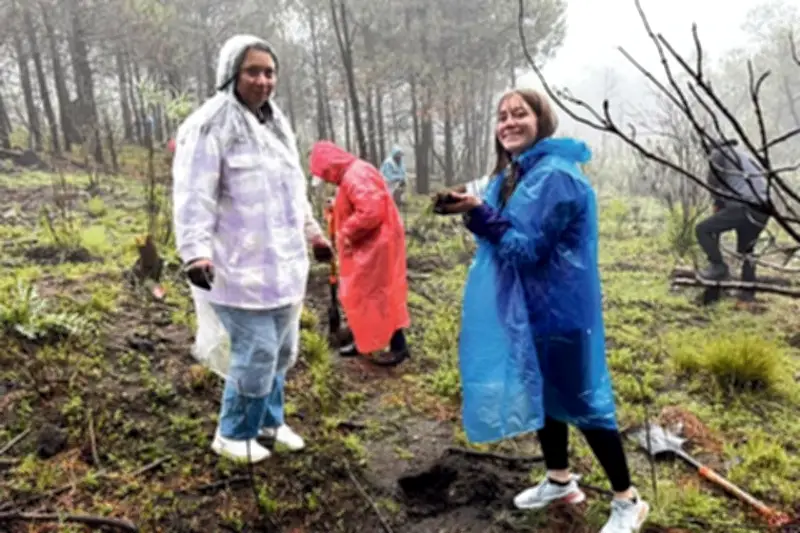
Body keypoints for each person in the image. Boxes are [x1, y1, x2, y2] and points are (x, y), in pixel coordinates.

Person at [431, 89, 649, 532]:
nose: (509, 122)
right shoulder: (519, 173)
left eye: (520, 114)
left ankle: (628, 500)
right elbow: (500, 219)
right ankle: (559, 479)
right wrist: (467, 203)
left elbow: (526, 249)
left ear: (541, 120)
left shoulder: (555, 177)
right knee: (543, 395)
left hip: (561, 310)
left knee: (584, 404)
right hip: (527, 307)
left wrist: (478, 213)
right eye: (502, 116)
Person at [172, 34, 332, 463]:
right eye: (253, 71)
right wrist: (195, 252)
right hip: (235, 266)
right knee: (257, 349)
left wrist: (314, 234)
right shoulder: (210, 124)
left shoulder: (275, 123)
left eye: (269, 72)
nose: (263, 80)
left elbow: (294, 191)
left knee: (280, 349)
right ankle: (233, 432)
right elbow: (193, 195)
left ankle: (267, 420)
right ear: (231, 74)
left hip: (281, 265)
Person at [309, 140, 411, 364]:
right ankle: (363, 339)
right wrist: (337, 206)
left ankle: (398, 346)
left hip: (376, 246)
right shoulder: (351, 175)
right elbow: (358, 202)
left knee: (377, 296)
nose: (326, 179)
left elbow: (371, 211)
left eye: (325, 174)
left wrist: (345, 232)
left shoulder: (355, 175)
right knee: (361, 295)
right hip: (370, 245)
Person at [695, 139, 770, 304]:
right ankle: (747, 294)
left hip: (744, 206)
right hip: (763, 208)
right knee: (747, 251)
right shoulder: (743, 156)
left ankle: (718, 267)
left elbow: (713, 181)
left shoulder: (718, 153)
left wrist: (716, 202)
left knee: (703, 230)